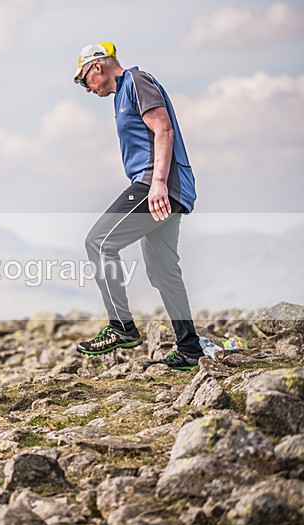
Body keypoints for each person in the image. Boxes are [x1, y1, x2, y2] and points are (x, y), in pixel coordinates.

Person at [71, 43, 205, 370]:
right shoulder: (121, 95)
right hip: (168, 187)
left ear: (97, 67)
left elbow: (163, 128)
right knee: (163, 270)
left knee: (99, 242)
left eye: (83, 80)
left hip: (156, 184)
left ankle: (121, 328)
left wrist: (157, 182)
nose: (86, 88)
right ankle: (190, 350)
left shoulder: (136, 81)